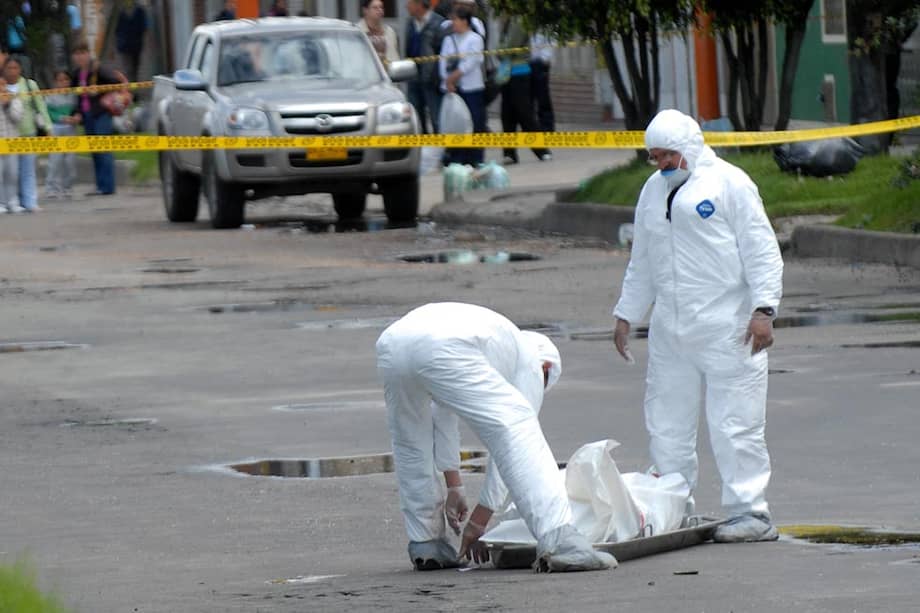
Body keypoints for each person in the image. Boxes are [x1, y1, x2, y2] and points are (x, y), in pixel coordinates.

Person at [611, 109, 784, 543]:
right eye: (655, 157)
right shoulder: (653, 192)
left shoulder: (730, 183)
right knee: (666, 423)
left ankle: (751, 512)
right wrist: (627, 313)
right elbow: (643, 260)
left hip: (729, 327)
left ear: (689, 148)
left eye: (669, 155)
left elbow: (761, 249)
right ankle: (674, 506)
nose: (662, 164)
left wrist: (764, 310)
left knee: (735, 423)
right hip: (671, 331)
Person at [376, 302, 616, 572]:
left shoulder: (494, 346)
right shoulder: (530, 360)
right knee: (520, 427)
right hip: (441, 344)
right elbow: (511, 444)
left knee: (411, 442)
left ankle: (426, 542)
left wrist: (454, 486)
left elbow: (443, 414)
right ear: (546, 367)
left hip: (392, 343)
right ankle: (561, 542)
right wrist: (481, 518)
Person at [71, 40, 125, 196]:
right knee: (94, 150)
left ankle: (108, 186)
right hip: (87, 115)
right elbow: (78, 97)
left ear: (88, 54)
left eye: (83, 53)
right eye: (77, 54)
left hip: (101, 112)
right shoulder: (76, 74)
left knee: (104, 149)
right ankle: (100, 185)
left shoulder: (98, 69)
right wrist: (77, 112)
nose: (80, 57)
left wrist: (100, 88)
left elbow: (115, 82)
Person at [496, 16, 550, 165]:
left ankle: (542, 150)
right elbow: (500, 46)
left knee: (525, 113)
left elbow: (509, 47)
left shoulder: (519, 21)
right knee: (507, 115)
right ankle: (509, 153)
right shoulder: (506, 21)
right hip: (507, 73)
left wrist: (500, 51)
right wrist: (500, 51)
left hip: (519, 73)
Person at [438, 5, 485, 166]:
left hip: (472, 88)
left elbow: (470, 63)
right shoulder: (448, 40)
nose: (453, 23)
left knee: (475, 123)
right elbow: (442, 62)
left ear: (465, 21)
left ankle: (476, 159)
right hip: (453, 90)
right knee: (457, 124)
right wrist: (447, 81)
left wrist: (453, 77)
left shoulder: (475, 39)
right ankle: (457, 157)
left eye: (456, 20)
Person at [3, 55, 50, 213]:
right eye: (9, 68)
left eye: (16, 68)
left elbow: (40, 107)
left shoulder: (30, 85)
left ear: (20, 69)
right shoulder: (2, 86)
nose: (12, 71)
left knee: (28, 170)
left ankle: (30, 201)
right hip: (9, 136)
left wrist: (47, 127)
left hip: (28, 132)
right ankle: (11, 201)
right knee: (10, 172)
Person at [404, 0, 444, 133]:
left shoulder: (439, 23)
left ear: (419, 5)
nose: (407, 6)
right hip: (413, 77)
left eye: (409, 3)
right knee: (417, 119)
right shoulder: (410, 23)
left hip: (431, 79)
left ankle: (441, 150)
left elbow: (443, 52)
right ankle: (421, 150)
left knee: (436, 118)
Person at [44, 69, 78, 200]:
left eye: (66, 79)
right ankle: (51, 188)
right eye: (60, 80)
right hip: (56, 128)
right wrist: (61, 118)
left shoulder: (73, 95)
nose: (63, 83)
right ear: (55, 82)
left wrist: (75, 117)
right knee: (55, 159)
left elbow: (76, 109)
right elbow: (48, 112)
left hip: (70, 128)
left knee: (70, 159)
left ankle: (67, 187)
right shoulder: (51, 95)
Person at [0, 66, 25, 214]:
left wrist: (8, 104)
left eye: (3, 84)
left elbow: (18, 117)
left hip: (12, 142)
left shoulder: (14, 97)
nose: (2, 88)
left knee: (12, 174)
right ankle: (1, 203)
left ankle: (13, 202)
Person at [115, 0, 148, 84]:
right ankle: (128, 89)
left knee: (135, 68)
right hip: (124, 45)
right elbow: (117, 29)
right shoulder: (121, 12)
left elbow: (144, 28)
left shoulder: (140, 10)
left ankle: (134, 90)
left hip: (136, 44)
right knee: (126, 68)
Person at [357, 0, 399, 65]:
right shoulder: (357, 32)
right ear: (365, 10)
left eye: (381, 7)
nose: (380, 10)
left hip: (389, 73)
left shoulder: (390, 32)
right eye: (375, 8)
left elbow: (395, 58)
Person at [528, 31, 555, 133]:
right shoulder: (527, 25)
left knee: (543, 96)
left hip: (541, 63)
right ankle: (531, 126)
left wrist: (544, 59)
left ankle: (547, 125)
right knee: (529, 97)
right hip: (528, 63)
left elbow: (551, 43)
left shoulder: (546, 26)